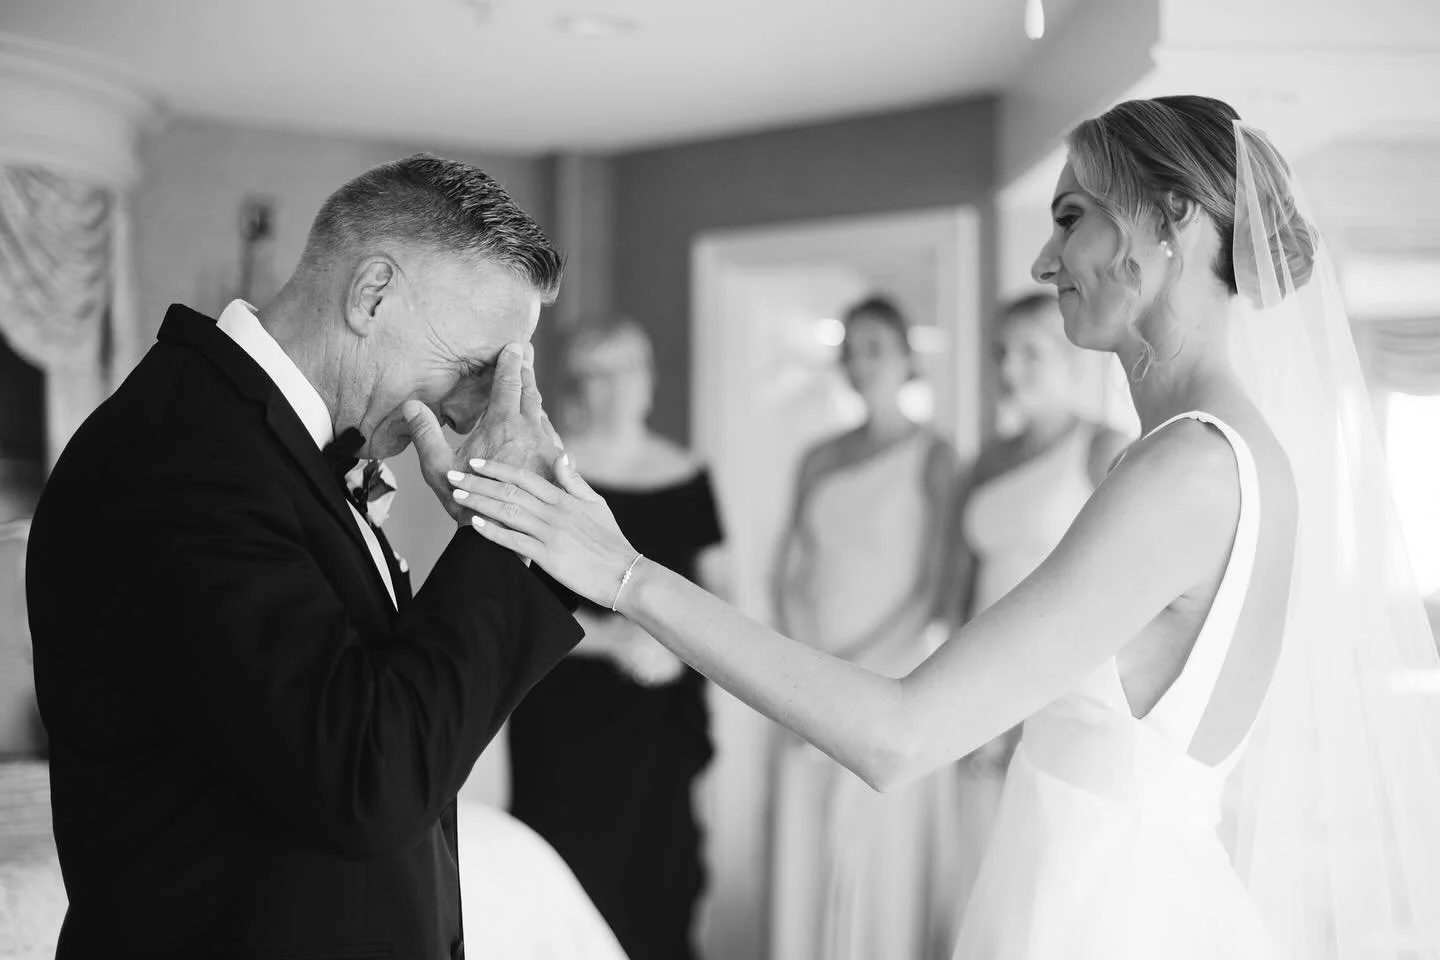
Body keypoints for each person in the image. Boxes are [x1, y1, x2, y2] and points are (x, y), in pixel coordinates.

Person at [453, 96, 1440, 958]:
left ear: (1170, 221)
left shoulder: (1186, 467)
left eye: (1072, 217)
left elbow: (898, 734)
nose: (1046, 259)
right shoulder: (1239, 457)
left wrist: (623, 573)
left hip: (1103, 917)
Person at [26, 155, 584, 960]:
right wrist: (499, 535)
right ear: (372, 294)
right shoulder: (180, 458)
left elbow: (388, 722)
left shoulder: (269, 447)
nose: (471, 414)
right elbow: (369, 779)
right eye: (473, 368)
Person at [507, 317, 727, 960]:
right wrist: (615, 642)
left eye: (625, 369)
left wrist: (671, 647)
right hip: (568, 714)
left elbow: (723, 595)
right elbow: (512, 600)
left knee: (663, 878)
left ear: (648, 381)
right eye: (595, 374)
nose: (612, 387)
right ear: (577, 385)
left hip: (660, 720)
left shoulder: (688, 474)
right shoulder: (551, 470)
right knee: (566, 879)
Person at [766, 295, 960, 960]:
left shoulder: (936, 457)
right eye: (850, 350)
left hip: (889, 679)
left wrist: (853, 676)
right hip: (806, 679)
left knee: (881, 853)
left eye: (874, 347)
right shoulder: (817, 457)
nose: (860, 361)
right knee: (807, 847)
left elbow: (935, 587)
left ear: (906, 356)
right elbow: (786, 573)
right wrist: (800, 674)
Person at [948, 292, 1127, 914]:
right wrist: (960, 702)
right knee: (983, 879)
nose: (1009, 368)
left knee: (1051, 885)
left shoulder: (1106, 448)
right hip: (975, 701)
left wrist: (1026, 706)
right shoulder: (983, 463)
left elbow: (1118, 600)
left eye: (1030, 352)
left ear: (1072, 354)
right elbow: (960, 596)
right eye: (1001, 352)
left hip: (1062, 695)